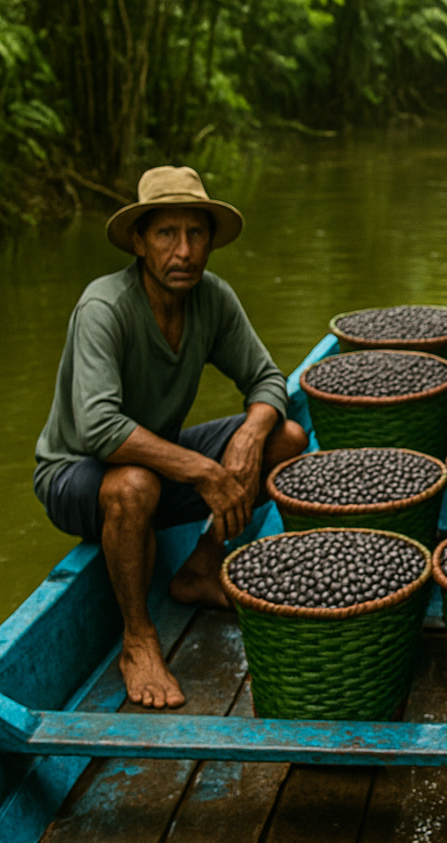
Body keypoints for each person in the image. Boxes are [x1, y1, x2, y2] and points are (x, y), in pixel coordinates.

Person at [33, 166, 307, 709]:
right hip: (76, 473)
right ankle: (138, 640)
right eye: (166, 234)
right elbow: (99, 429)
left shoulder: (213, 299)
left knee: (287, 438)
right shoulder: (104, 307)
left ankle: (202, 566)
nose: (184, 251)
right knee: (134, 485)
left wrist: (250, 437)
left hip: (156, 468)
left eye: (195, 234)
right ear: (139, 242)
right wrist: (205, 471)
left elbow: (267, 380)